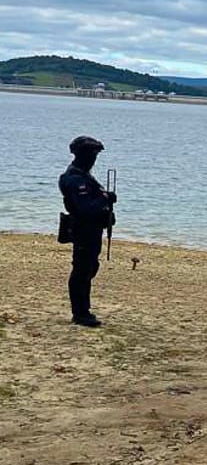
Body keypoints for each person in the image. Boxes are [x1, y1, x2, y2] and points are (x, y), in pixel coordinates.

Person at [58, 136, 116, 327]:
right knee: (82, 270)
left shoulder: (84, 175)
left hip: (93, 230)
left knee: (90, 267)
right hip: (83, 230)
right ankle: (81, 312)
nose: (94, 159)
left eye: (95, 155)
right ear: (82, 155)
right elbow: (85, 209)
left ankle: (83, 309)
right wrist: (105, 200)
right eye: (92, 154)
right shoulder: (74, 179)